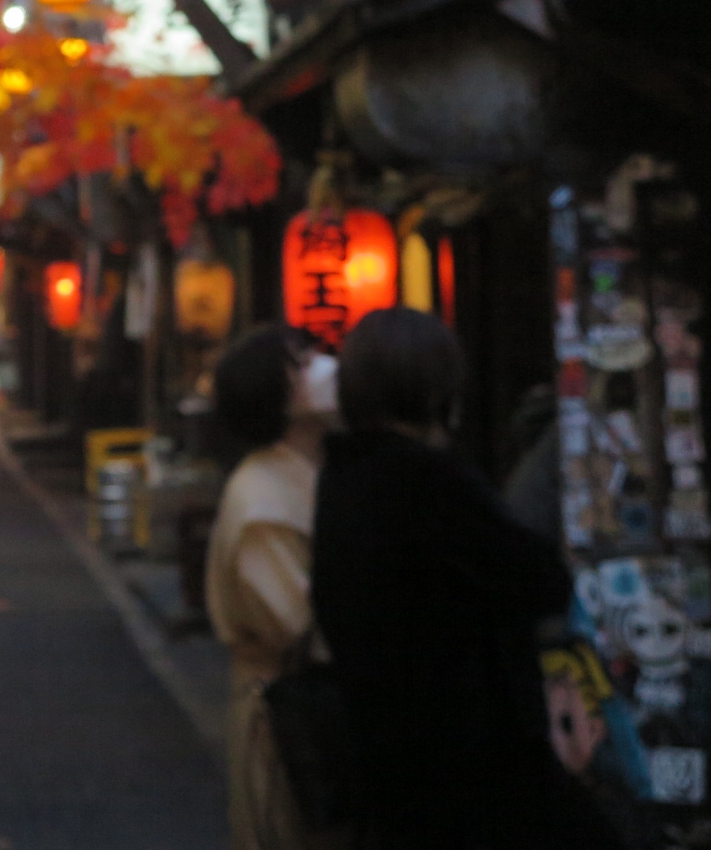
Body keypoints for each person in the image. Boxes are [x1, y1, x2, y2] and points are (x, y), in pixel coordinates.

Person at [311, 308, 622, 849]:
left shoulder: (344, 477)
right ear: (437, 390)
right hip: (469, 763)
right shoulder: (426, 481)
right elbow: (539, 578)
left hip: (389, 761)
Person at [206, 326, 339, 850]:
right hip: (290, 718)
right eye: (303, 364)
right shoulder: (262, 501)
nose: (324, 368)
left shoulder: (304, 472)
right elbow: (299, 628)